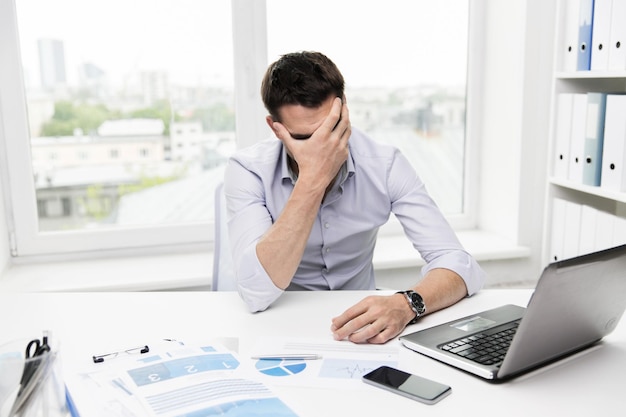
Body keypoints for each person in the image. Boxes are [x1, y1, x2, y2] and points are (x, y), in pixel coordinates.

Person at [223, 51, 485, 344]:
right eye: (304, 139)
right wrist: (312, 180)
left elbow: (460, 265)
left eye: (330, 130)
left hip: (362, 330)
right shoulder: (247, 170)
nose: (322, 148)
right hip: (279, 326)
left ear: (344, 110)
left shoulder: (385, 164)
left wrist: (406, 304)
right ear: (275, 128)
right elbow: (255, 292)